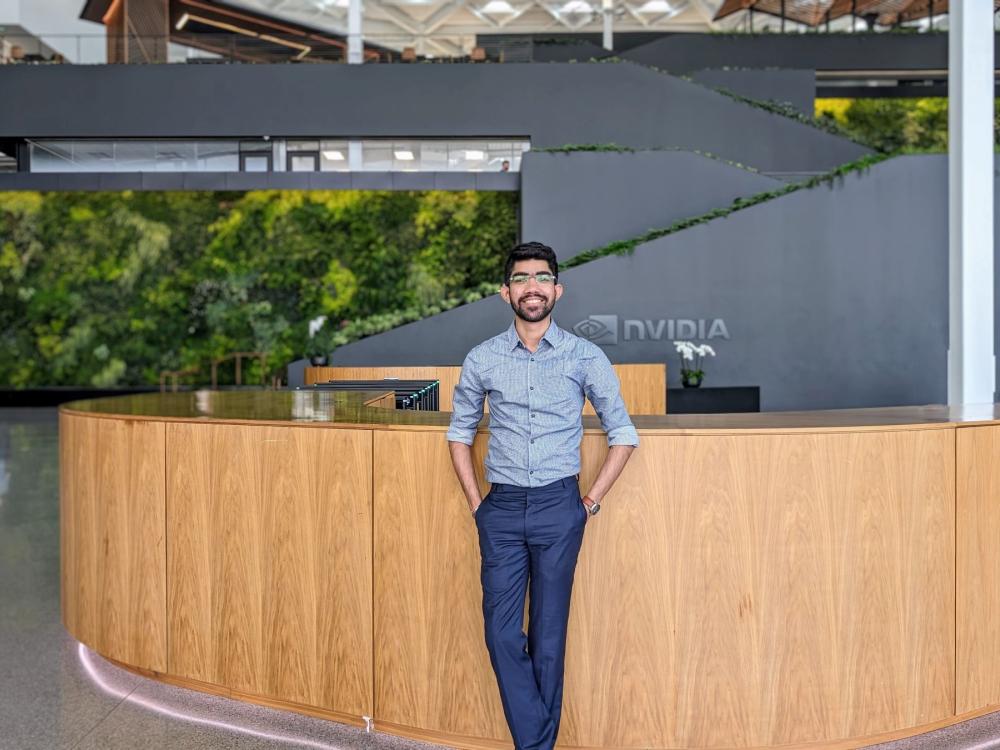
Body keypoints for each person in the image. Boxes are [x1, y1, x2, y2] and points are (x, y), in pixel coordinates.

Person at [446, 241, 639, 750]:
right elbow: (459, 433)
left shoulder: (585, 355)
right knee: (503, 635)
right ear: (504, 291)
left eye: (541, 278)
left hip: (560, 508)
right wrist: (476, 505)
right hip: (502, 510)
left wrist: (588, 504)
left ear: (557, 289)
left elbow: (623, 434)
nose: (531, 287)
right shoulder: (483, 358)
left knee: (549, 640)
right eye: (520, 278)